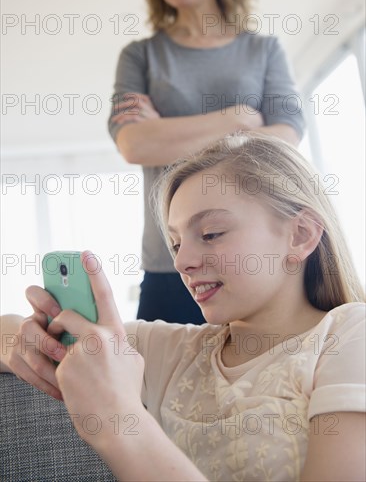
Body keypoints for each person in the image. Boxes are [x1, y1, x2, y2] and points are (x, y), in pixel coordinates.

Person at [1, 134, 365, 481]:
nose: (182, 262)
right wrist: (25, 340)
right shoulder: (169, 351)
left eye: (210, 234)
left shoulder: (349, 335)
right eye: (175, 244)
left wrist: (120, 421)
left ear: (300, 234)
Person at [108, 0, 305, 324]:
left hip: (260, 262)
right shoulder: (139, 57)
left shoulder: (263, 51)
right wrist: (237, 120)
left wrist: (164, 132)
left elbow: (285, 140)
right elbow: (133, 143)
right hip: (170, 266)